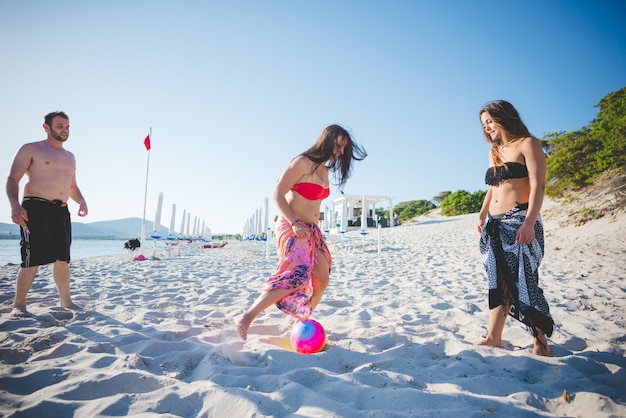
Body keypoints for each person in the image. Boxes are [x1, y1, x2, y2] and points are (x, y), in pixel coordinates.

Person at [237, 124, 367, 341]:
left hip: (311, 230)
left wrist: (307, 225)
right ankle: (247, 317)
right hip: (292, 225)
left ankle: (301, 320)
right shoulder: (302, 163)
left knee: (323, 277)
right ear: (328, 140)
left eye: (345, 148)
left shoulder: (324, 169)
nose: (341, 151)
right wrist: (295, 221)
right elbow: (277, 194)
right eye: (339, 145)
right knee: (296, 277)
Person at [476, 100, 554, 356]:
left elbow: (538, 185)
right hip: (494, 224)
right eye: (483, 124)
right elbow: (494, 187)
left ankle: (540, 343)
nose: (487, 128)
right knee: (497, 281)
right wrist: (482, 213)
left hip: (520, 221)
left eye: (490, 121)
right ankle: (493, 337)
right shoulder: (494, 152)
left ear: (503, 117)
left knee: (524, 282)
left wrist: (530, 221)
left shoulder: (527, 144)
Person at [6, 111, 88, 316]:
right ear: (46, 127)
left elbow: (72, 186)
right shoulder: (31, 149)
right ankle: (19, 304)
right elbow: (12, 179)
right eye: (60, 126)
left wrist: (82, 200)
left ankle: (66, 301)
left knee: (62, 259)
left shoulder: (70, 156)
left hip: (60, 210)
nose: (65, 130)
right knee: (31, 258)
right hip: (35, 208)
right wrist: (15, 206)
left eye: (67, 126)